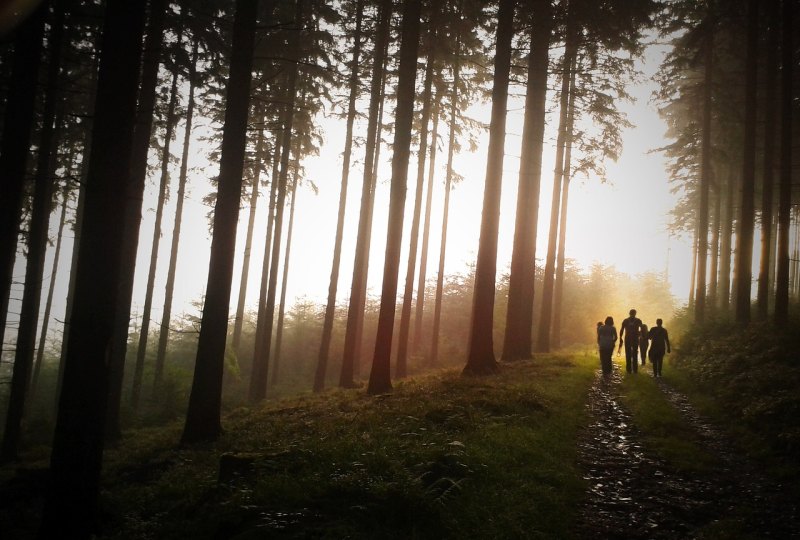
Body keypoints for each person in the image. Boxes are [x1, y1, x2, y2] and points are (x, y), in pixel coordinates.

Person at [618, 308, 642, 374]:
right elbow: (642, 328)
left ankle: (629, 370)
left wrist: (620, 338)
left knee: (628, 354)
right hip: (635, 339)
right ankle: (635, 370)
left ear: (629, 313)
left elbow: (622, 330)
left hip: (628, 338)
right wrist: (639, 334)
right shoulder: (638, 320)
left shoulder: (625, 320)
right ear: (635, 313)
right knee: (635, 354)